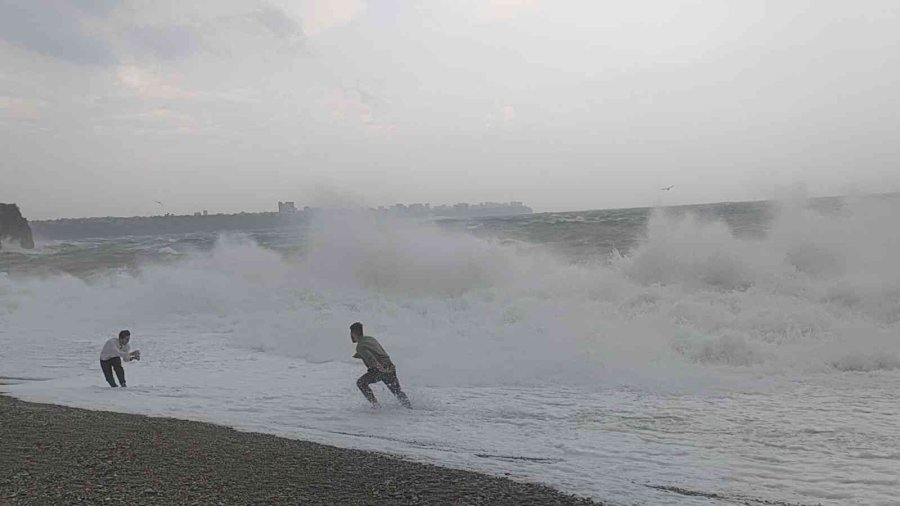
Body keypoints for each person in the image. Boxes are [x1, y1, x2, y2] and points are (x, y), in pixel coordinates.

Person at [350, 322, 411, 409]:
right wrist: (359, 355)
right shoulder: (370, 339)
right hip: (390, 366)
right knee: (397, 392)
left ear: (353, 333)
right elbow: (378, 352)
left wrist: (380, 368)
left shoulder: (360, 346)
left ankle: (376, 405)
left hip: (380, 370)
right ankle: (409, 408)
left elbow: (371, 358)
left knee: (361, 383)